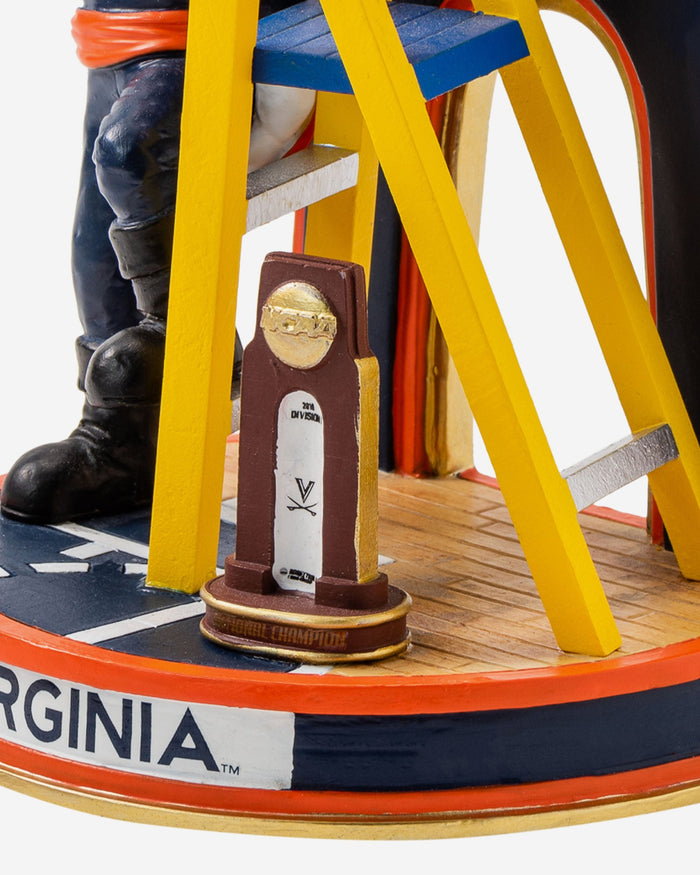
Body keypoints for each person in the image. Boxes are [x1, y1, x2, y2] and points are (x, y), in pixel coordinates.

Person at [0, 0, 314, 524]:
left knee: (129, 154)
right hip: (114, 35)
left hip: (196, 38)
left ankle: (193, 341)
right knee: (94, 237)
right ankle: (118, 434)